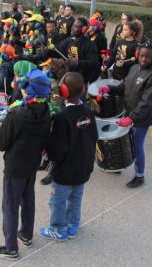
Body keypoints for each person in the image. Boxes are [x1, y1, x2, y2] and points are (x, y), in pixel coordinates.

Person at [0, 68, 52, 260]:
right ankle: (26, 235)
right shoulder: (45, 110)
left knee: (10, 206)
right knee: (28, 199)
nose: (22, 90)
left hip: (15, 166)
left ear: (30, 91)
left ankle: (11, 248)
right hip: (32, 163)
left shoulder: (18, 114)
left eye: (25, 87)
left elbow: (1, 143)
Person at [38, 71, 98, 241]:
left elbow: (57, 149)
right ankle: (72, 226)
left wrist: (47, 152)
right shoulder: (89, 111)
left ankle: (58, 229)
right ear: (83, 90)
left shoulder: (62, 118)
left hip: (64, 171)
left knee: (57, 201)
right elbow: (94, 137)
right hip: (83, 168)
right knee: (75, 198)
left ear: (63, 90)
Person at [98, 42, 152, 188]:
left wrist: (131, 118)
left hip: (141, 118)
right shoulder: (134, 67)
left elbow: (146, 102)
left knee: (136, 145)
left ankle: (140, 175)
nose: (144, 59)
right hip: (129, 113)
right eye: (142, 56)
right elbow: (123, 86)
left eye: (148, 57)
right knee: (125, 141)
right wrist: (109, 88)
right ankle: (119, 164)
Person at [57, 18, 100, 84]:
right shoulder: (68, 41)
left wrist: (78, 62)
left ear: (84, 29)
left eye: (76, 26)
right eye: (73, 25)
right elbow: (58, 50)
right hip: (66, 77)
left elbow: (93, 62)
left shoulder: (90, 45)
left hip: (80, 81)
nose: (72, 28)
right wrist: (47, 51)